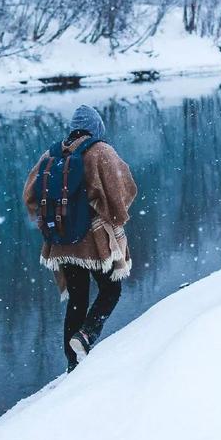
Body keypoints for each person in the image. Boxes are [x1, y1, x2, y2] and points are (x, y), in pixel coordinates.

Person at [23, 105, 137, 372]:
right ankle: (85, 336)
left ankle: (72, 365)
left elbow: (29, 196)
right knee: (111, 290)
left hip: (61, 242)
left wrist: (55, 220)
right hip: (92, 242)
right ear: (96, 128)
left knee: (77, 299)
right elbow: (124, 192)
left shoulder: (51, 155)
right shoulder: (101, 152)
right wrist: (111, 217)